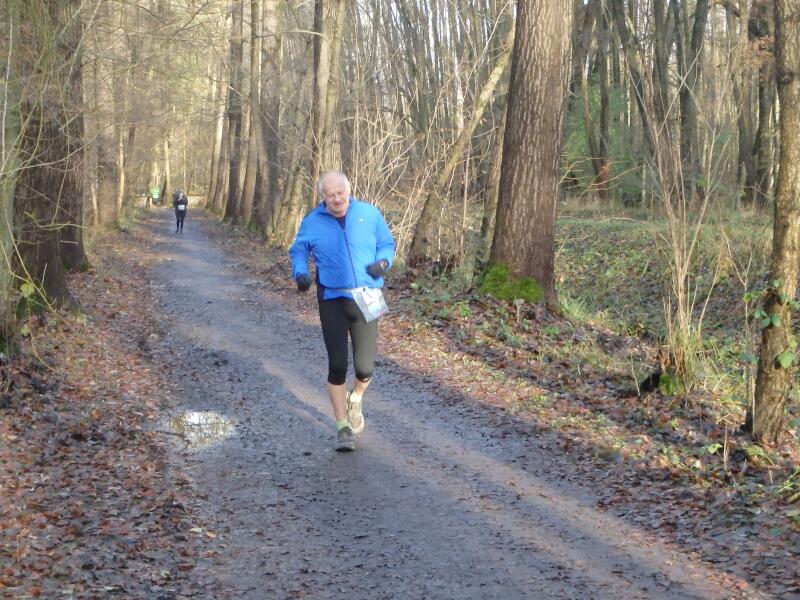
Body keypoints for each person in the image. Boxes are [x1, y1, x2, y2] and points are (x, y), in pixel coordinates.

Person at [289, 171, 395, 451]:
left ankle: (355, 398)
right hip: (332, 298)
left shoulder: (369, 213)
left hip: (367, 296)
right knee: (337, 365)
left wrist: (383, 263)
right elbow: (298, 250)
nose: (337, 199)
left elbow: (386, 243)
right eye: (330, 195)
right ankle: (342, 428)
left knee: (365, 368)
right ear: (323, 197)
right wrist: (300, 273)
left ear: (349, 191)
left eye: (340, 193)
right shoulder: (313, 222)